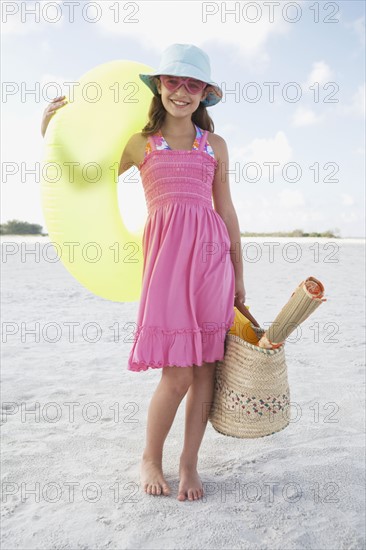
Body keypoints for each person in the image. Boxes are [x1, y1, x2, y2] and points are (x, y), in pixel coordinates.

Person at [41, 43, 246, 502]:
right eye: (174, 81)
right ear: (159, 86)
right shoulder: (140, 143)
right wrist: (51, 130)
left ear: (204, 95)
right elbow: (83, 178)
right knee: (177, 375)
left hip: (212, 262)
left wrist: (240, 274)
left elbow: (227, 211)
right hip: (167, 267)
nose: (182, 92)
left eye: (193, 85)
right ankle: (150, 457)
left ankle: (188, 464)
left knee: (206, 372)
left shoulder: (214, 145)